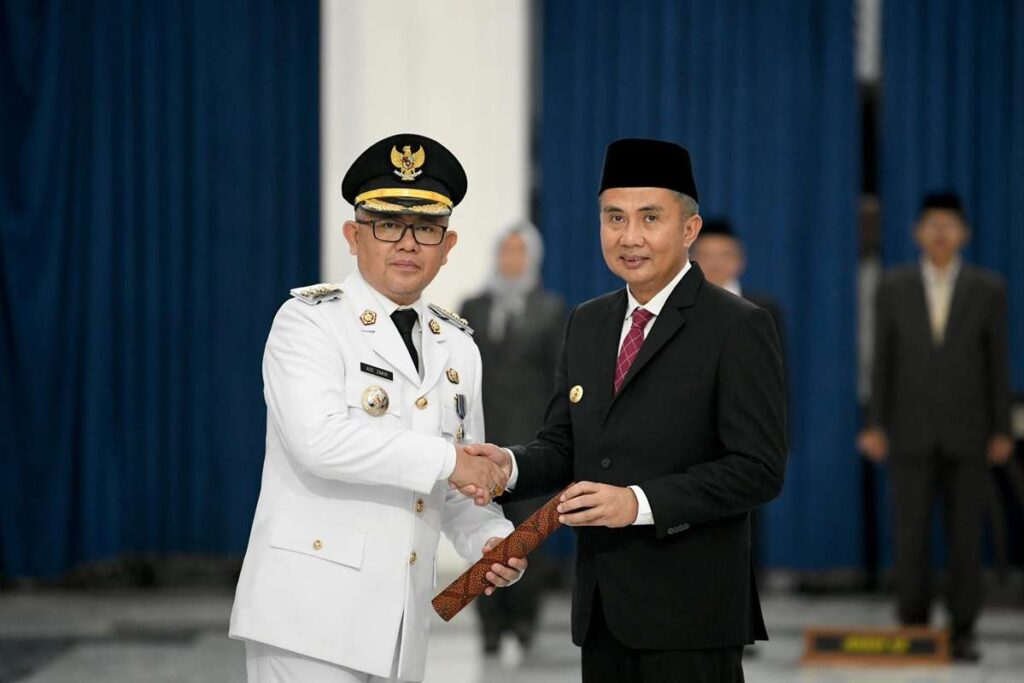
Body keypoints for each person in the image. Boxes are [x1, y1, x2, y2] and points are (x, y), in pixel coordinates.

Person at [461, 138, 788, 682]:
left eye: (649, 217)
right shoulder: (587, 323)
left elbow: (758, 470)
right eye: (614, 217)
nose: (629, 237)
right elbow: (567, 444)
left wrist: (635, 503)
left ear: (689, 230)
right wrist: (509, 467)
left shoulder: (737, 327)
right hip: (603, 614)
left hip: (692, 617)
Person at [230, 133, 525, 683]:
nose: (407, 244)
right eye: (388, 224)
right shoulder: (309, 322)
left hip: (400, 629)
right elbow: (319, 441)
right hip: (308, 621)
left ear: (449, 243)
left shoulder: (459, 345)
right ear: (353, 235)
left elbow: (455, 485)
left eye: (427, 229)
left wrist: (487, 540)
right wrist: (451, 462)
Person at [858, 191, 1012, 662]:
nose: (941, 233)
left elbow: (997, 363)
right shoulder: (894, 285)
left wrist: (1001, 428)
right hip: (909, 430)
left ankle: (963, 630)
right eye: (932, 224)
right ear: (917, 233)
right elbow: (881, 360)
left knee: (966, 536)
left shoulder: (988, 288)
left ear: (963, 233)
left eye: (950, 225)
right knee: (911, 534)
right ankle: (914, 627)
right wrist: (875, 422)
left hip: (970, 431)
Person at [459, 222, 566, 661]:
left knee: (527, 539)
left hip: (531, 448)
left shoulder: (551, 308)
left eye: (520, 252)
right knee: (477, 533)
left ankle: (523, 624)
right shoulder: (473, 306)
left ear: (533, 259)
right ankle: (488, 627)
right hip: (481, 441)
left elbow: (560, 378)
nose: (512, 260)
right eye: (506, 251)